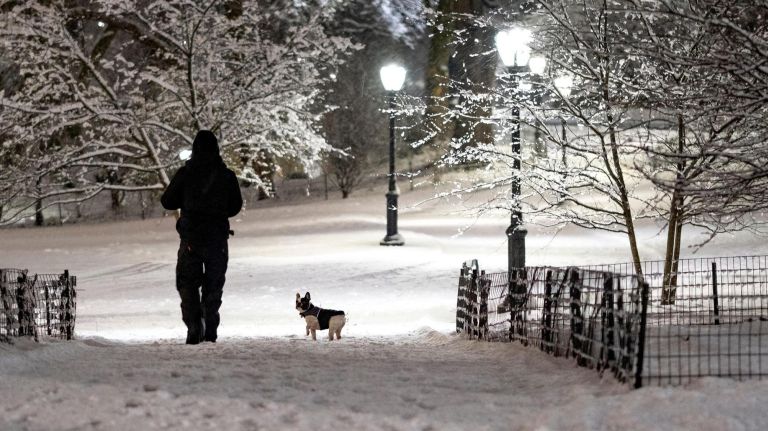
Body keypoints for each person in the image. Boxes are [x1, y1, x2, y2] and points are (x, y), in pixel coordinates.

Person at [161, 130, 242, 344]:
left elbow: (167, 201)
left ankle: (194, 325)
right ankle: (210, 330)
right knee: (213, 286)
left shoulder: (185, 174)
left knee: (187, 284)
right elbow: (235, 207)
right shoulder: (226, 176)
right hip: (217, 240)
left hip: (191, 240)